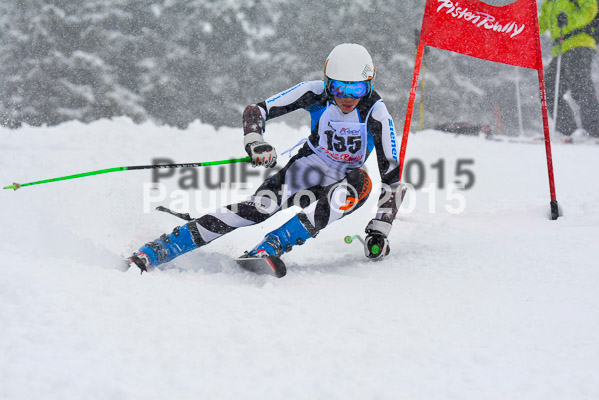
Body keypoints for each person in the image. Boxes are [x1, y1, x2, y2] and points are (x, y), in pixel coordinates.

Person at [128, 43, 403, 273]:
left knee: (360, 182)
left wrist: (379, 230)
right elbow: (257, 110)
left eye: (356, 90)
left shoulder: (376, 113)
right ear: (329, 83)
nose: (347, 98)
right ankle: (164, 247)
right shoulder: (316, 92)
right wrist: (255, 141)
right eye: (340, 88)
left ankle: (272, 245)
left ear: (369, 86)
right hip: (308, 168)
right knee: (259, 209)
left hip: (346, 179)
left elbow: (391, 176)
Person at [539, 0, 599, 139]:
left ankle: (595, 130)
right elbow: (541, 24)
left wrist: (568, 19)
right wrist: (522, 27)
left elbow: (590, 9)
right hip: (561, 48)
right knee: (549, 89)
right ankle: (568, 131)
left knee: (580, 85)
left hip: (579, 42)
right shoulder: (549, 3)